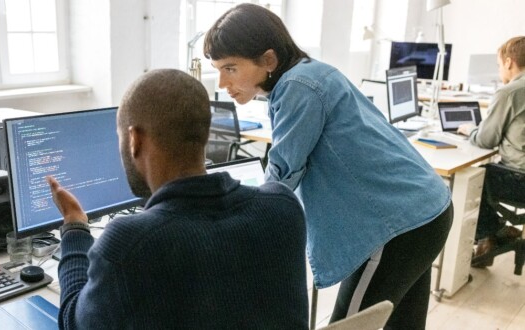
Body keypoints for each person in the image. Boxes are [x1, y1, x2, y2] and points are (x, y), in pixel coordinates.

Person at [203, 4, 453, 329]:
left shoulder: (298, 87)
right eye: (218, 69)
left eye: (231, 68)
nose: (222, 82)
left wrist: (234, 224)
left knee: (347, 325)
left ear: (268, 60)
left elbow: (282, 174)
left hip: (398, 226)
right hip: (427, 210)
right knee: (402, 324)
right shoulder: (311, 72)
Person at [46, 69, 309, 329]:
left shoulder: (130, 244)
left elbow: (74, 324)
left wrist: (75, 227)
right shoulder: (283, 207)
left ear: (134, 140)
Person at [457, 36, 525, 265]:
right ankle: (496, 235)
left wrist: (470, 131)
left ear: (508, 62)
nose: (499, 70)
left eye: (498, 65)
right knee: (486, 172)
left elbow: (486, 139)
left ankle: (491, 236)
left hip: (521, 180)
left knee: (476, 177)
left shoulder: (510, 92)